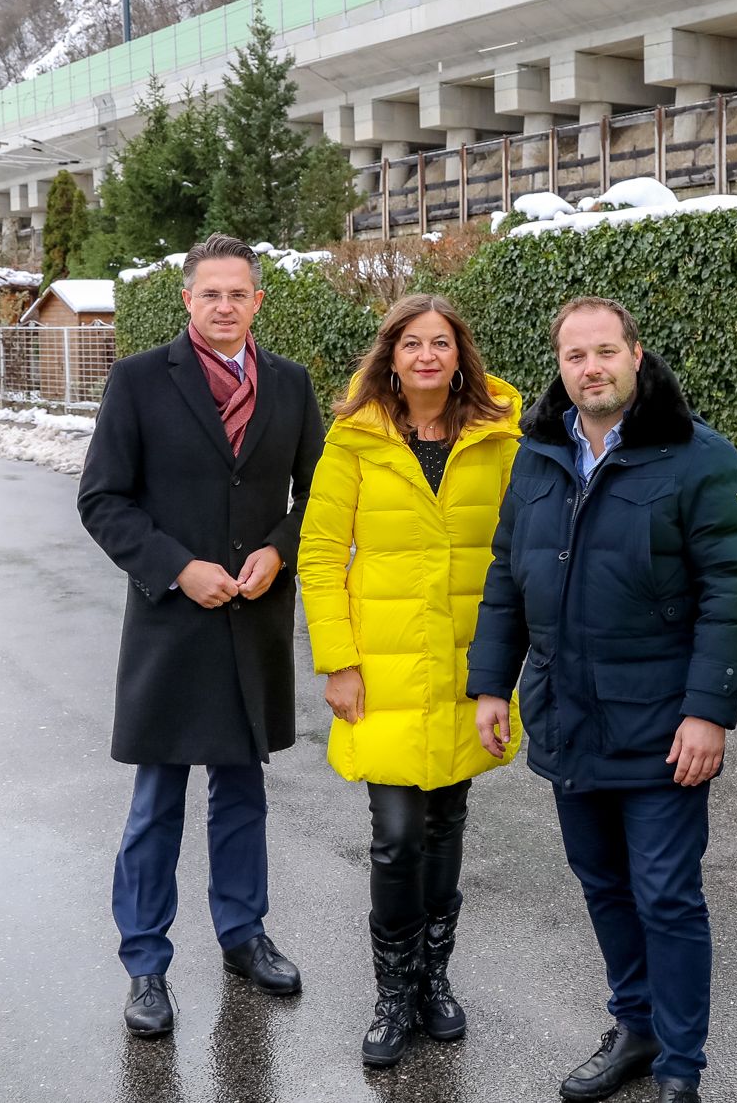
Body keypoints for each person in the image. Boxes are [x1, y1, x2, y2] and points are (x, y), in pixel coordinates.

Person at [468, 297, 737, 1103]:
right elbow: (506, 576)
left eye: (605, 351)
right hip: (569, 715)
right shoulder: (537, 456)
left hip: (665, 722)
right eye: (575, 356)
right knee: (600, 881)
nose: (590, 368)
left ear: (635, 354)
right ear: (559, 366)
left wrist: (709, 710)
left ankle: (681, 1062)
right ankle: (635, 1023)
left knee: (666, 891)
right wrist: (491, 681)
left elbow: (732, 592)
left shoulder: (698, 457)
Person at [77, 232, 323, 1038]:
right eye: (210, 292)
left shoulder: (290, 385)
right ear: (188, 299)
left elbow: (318, 497)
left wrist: (279, 550)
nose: (225, 305)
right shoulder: (140, 381)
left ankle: (243, 932)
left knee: (243, 791)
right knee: (157, 802)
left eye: (238, 293)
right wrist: (178, 568)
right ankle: (146, 962)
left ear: (258, 300)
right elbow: (103, 499)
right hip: (171, 624)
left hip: (253, 621)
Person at [297, 293, 525, 1068]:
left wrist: (504, 666)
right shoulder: (354, 441)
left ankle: (434, 980)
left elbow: (514, 557)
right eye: (411, 343)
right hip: (383, 671)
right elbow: (322, 555)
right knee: (396, 837)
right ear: (390, 356)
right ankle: (393, 992)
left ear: (461, 355)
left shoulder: (498, 440)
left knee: (446, 826)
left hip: (464, 665)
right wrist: (339, 661)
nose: (427, 355)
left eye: (441, 342)